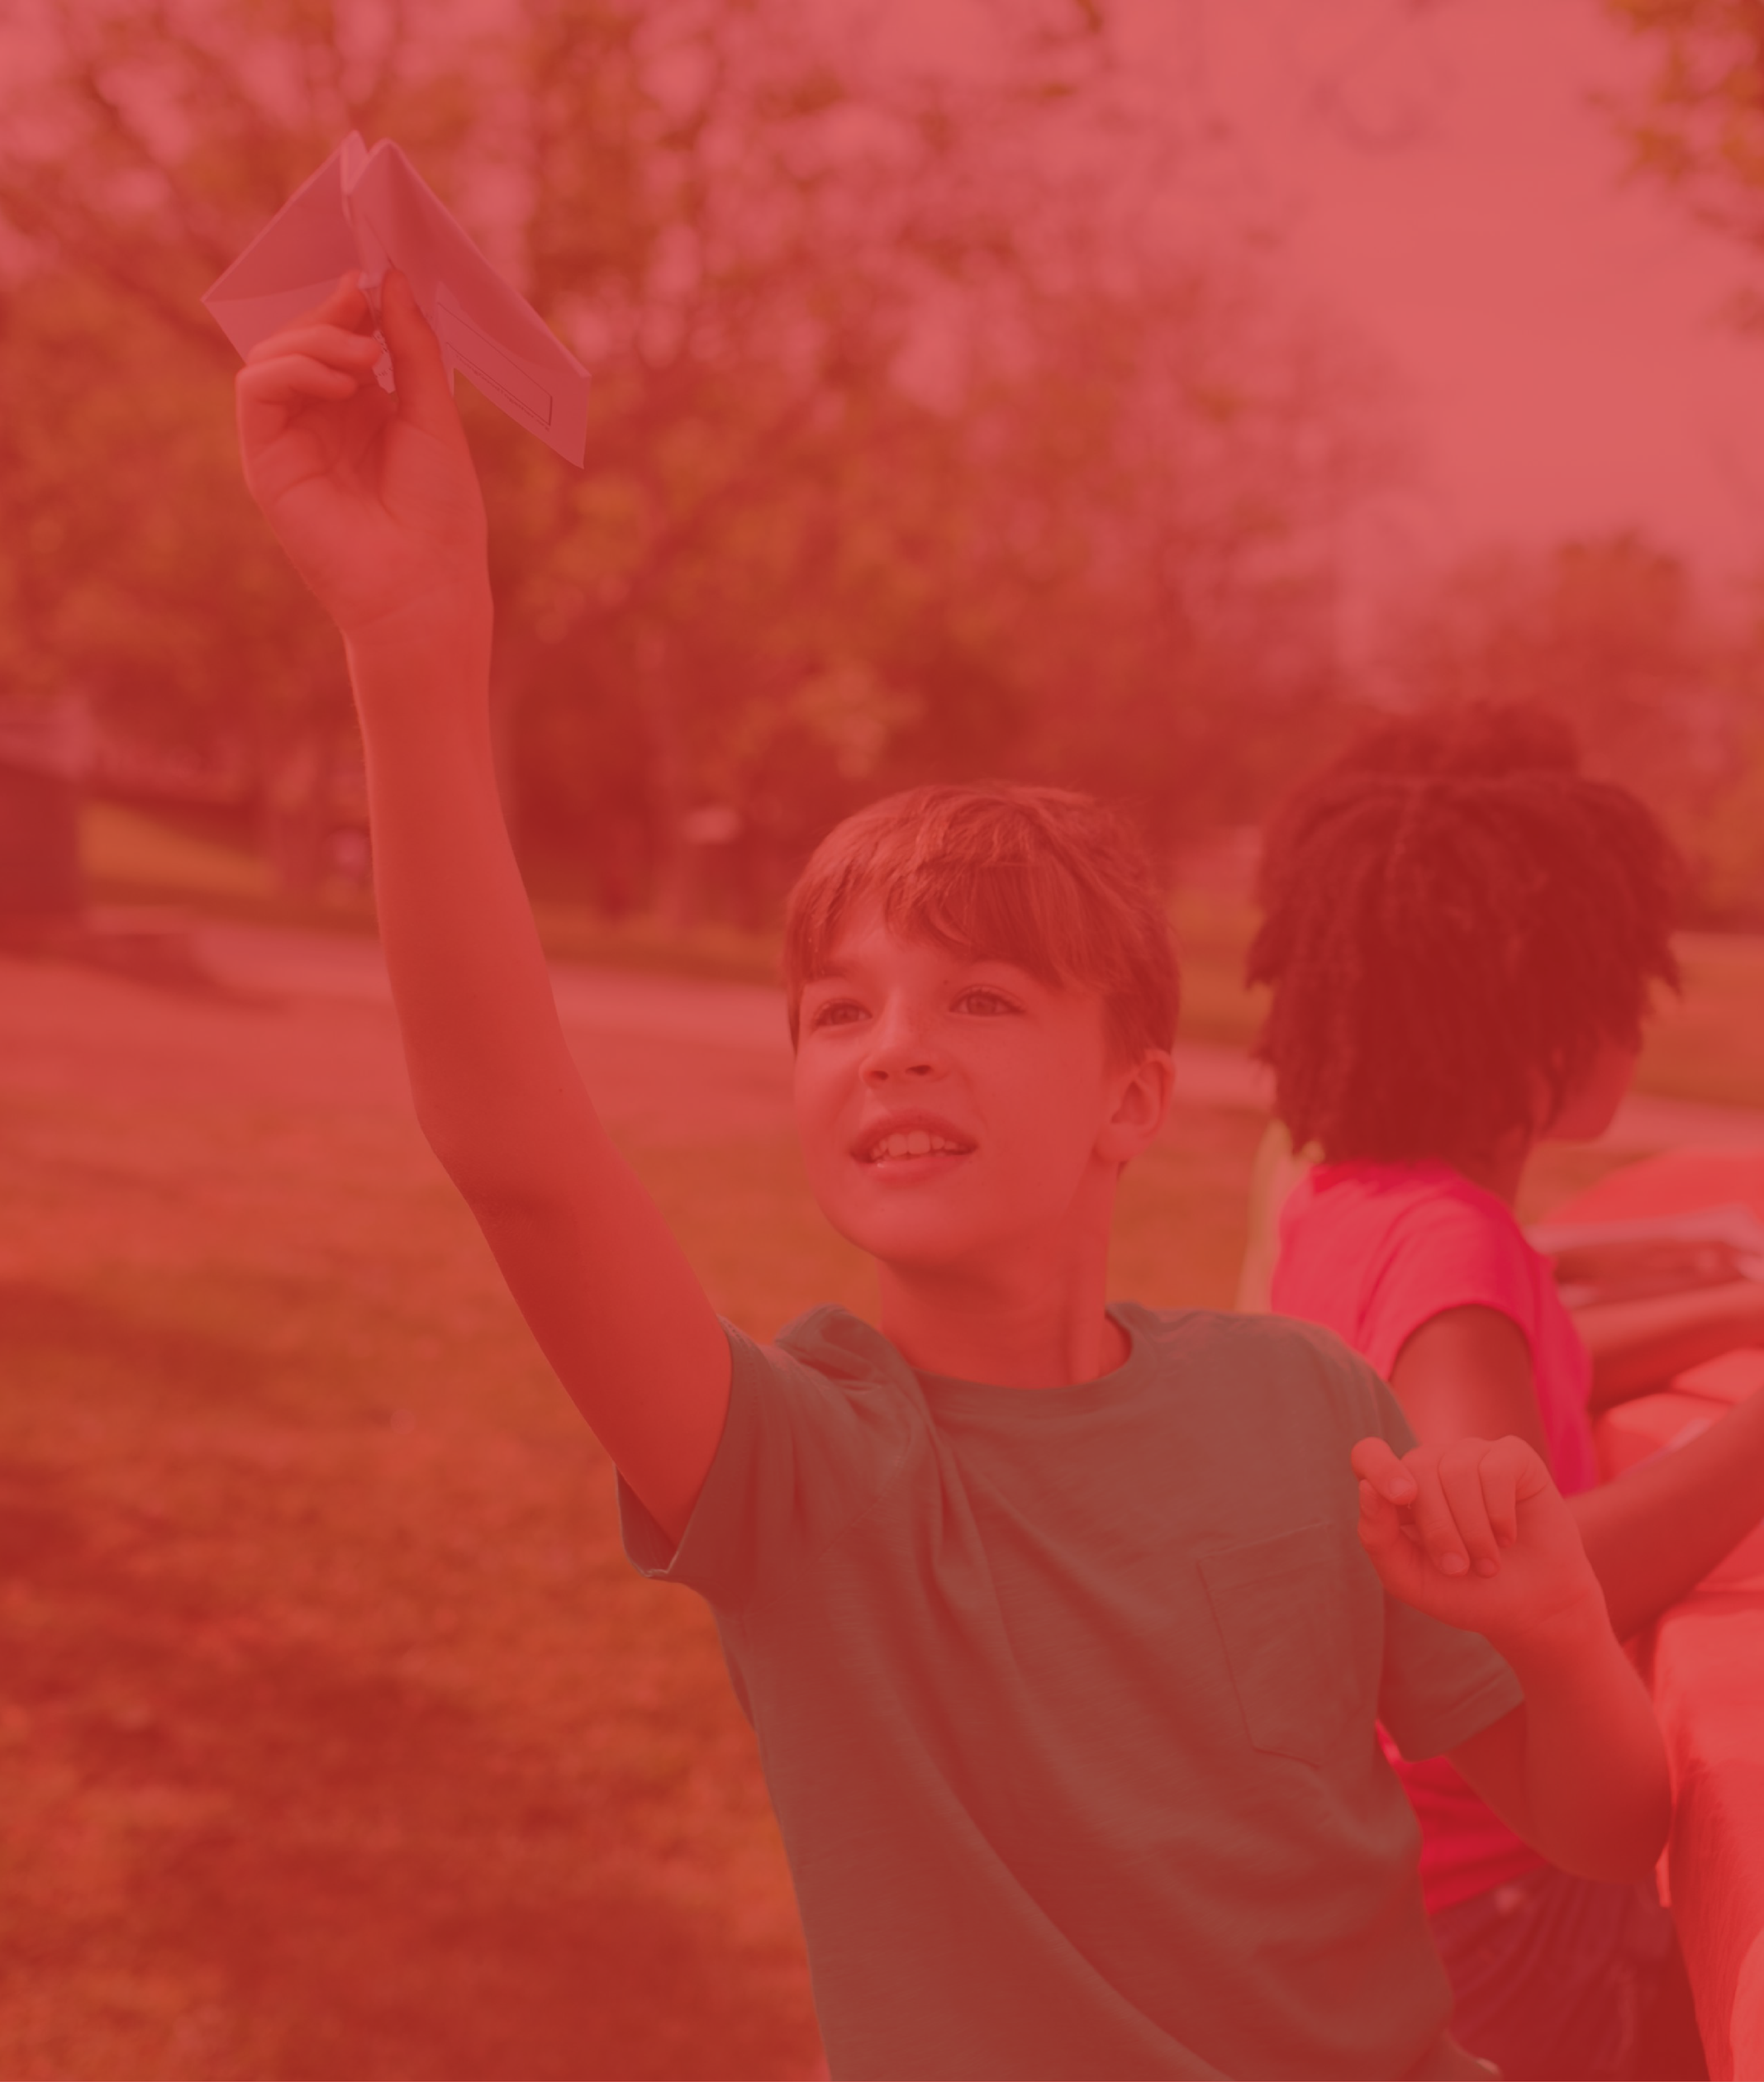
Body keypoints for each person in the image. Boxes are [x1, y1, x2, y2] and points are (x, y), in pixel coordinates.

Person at [230, 273, 1675, 2080]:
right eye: (836, 1013)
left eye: (977, 996)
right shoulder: (799, 1470)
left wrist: (1550, 1626)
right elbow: (517, 1156)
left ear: (1129, 1102)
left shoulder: (1306, 1410)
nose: (890, 1044)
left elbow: (1606, 1830)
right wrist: (411, 644)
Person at [1243, 704, 1764, 2081]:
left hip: (1399, 1889)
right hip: (1503, 1918)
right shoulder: (1453, 1246)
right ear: (1545, 1025)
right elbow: (1518, 1562)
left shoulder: (1359, 1204)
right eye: (1622, 986)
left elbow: (1524, 1368)